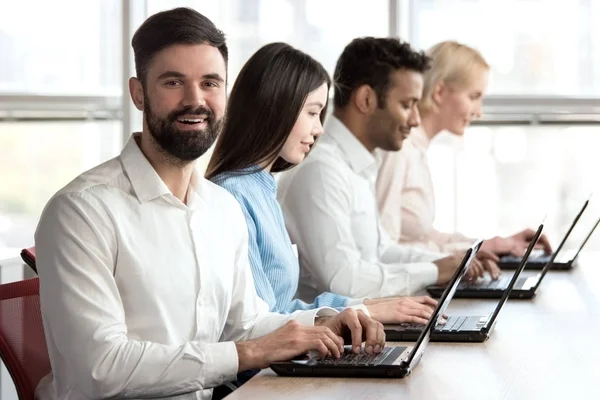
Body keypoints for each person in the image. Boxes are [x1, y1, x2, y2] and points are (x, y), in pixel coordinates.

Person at [33, 8, 384, 400]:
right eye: (173, 82)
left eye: (210, 83)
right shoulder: (81, 212)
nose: (195, 100)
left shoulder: (220, 207)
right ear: (138, 93)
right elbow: (102, 367)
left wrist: (322, 322)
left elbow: (244, 325)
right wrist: (248, 353)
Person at [206, 42, 439, 327]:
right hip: (261, 367)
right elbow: (257, 322)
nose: (319, 129)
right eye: (313, 113)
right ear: (277, 106)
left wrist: (366, 307)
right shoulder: (234, 195)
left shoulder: (263, 188)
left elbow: (284, 306)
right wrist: (365, 311)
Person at [276, 37, 495, 303]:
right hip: (334, 337)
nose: (415, 119)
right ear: (366, 99)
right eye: (406, 105)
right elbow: (343, 281)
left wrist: (449, 262)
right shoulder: (322, 170)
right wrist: (434, 270)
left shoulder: (358, 165)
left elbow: (380, 251)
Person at [376, 40, 552, 258]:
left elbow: (422, 238)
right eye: (473, 97)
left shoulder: (416, 148)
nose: (479, 112)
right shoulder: (399, 150)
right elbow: (384, 248)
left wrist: (490, 244)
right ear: (439, 92)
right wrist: (463, 255)